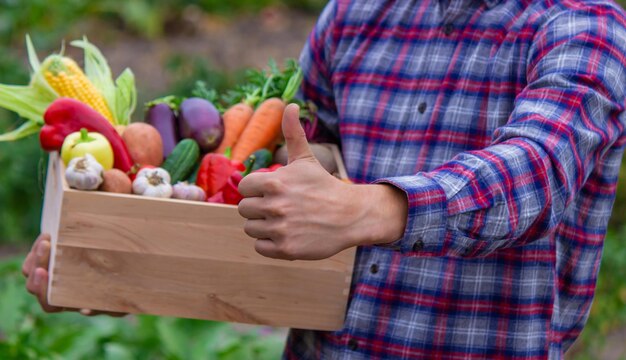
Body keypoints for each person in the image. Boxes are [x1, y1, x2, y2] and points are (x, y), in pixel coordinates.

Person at [24, 0, 626, 358]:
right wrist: (129, 272)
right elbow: (289, 198)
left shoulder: (586, 25)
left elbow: (537, 174)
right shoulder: (358, 13)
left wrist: (367, 209)